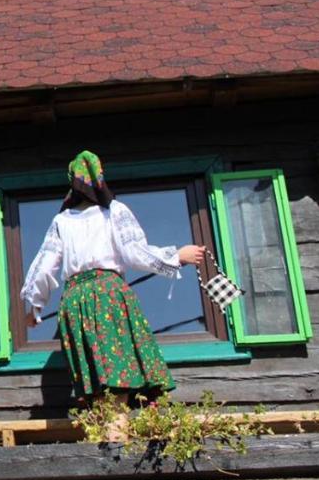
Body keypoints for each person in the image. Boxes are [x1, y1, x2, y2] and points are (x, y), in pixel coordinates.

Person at [20, 151, 205, 437]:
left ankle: (111, 438)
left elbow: (44, 267)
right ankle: (116, 444)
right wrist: (176, 256)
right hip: (108, 295)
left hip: (75, 300)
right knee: (116, 377)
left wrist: (34, 307)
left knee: (99, 381)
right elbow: (135, 252)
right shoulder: (114, 211)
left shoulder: (62, 221)